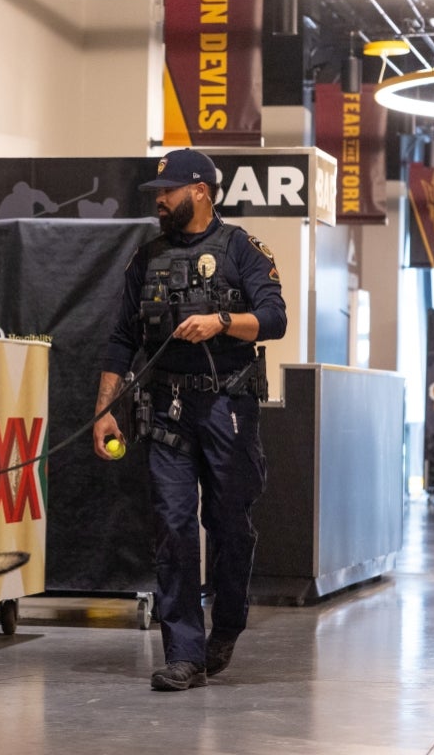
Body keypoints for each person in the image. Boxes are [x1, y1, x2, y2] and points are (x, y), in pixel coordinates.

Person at [92, 149, 287, 691]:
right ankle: (183, 651)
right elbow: (121, 340)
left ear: (200, 191)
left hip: (227, 410)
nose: (160, 201)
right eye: (159, 193)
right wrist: (104, 411)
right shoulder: (146, 258)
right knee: (173, 528)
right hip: (166, 413)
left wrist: (222, 321)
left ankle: (225, 626)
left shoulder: (242, 248)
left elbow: (274, 319)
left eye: (169, 191)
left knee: (228, 524)